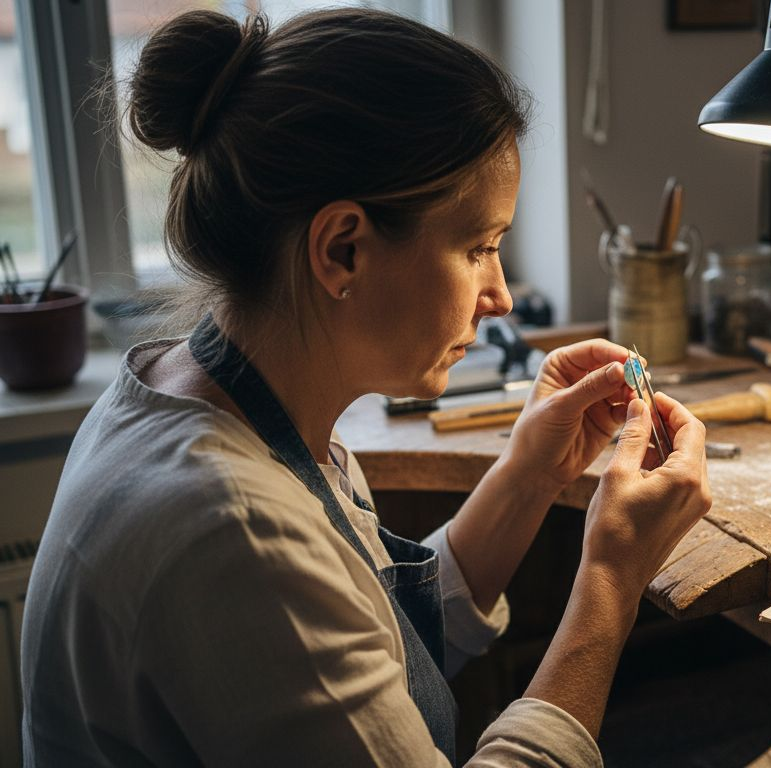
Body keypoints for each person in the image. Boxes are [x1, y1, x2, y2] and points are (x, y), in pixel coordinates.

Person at [20, 9, 711, 767]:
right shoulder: (235, 530)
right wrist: (612, 575)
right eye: (479, 246)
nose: (501, 296)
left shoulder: (216, 392)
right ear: (342, 250)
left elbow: (380, 637)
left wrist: (530, 475)